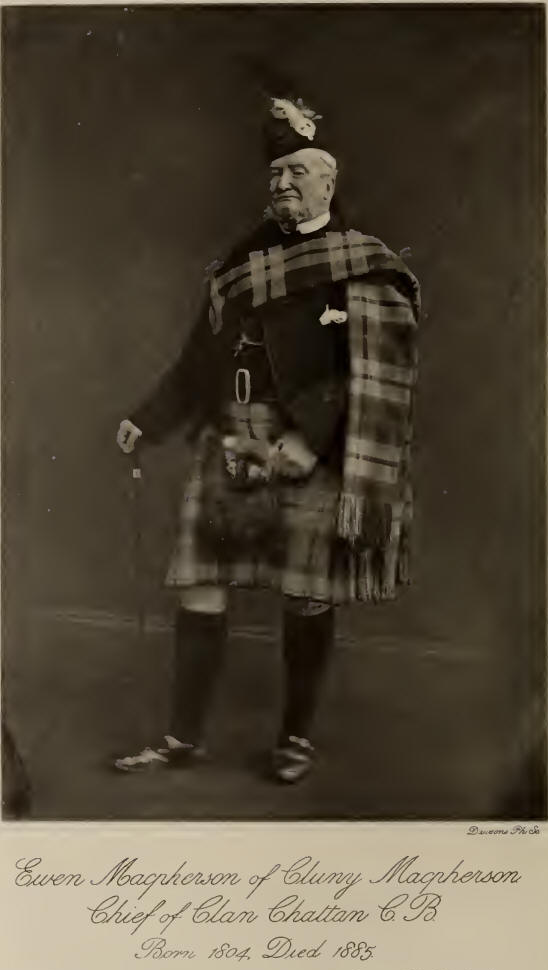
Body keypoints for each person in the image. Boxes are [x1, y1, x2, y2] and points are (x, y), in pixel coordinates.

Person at [114, 95, 420, 783]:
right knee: (199, 586)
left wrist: (312, 443)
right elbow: (198, 358)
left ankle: (294, 740)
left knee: (306, 593)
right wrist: (150, 417)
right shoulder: (243, 260)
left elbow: (375, 375)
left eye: (298, 171)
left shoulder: (362, 264)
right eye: (276, 173)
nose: (283, 183)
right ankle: (181, 740)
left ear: (328, 182)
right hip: (229, 441)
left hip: (308, 451)